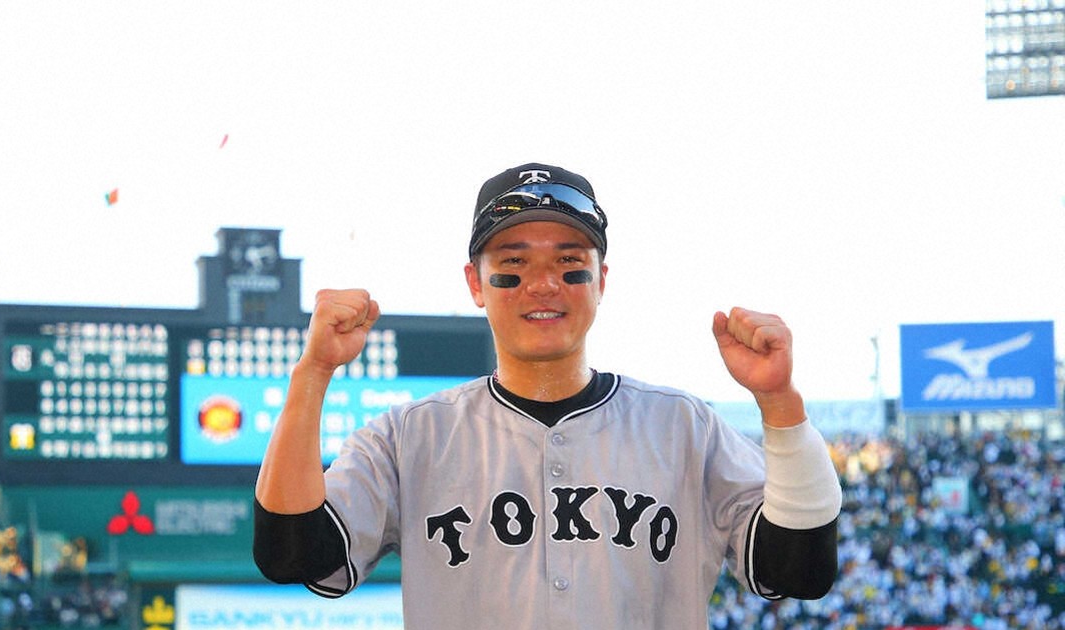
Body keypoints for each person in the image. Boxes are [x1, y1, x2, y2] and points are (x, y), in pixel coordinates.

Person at [253, 162, 842, 629]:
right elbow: (293, 554)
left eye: (569, 263)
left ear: (601, 280)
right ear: (474, 283)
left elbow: (799, 568)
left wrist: (780, 403)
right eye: (513, 263)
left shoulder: (683, 427)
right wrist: (312, 375)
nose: (543, 284)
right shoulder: (410, 436)